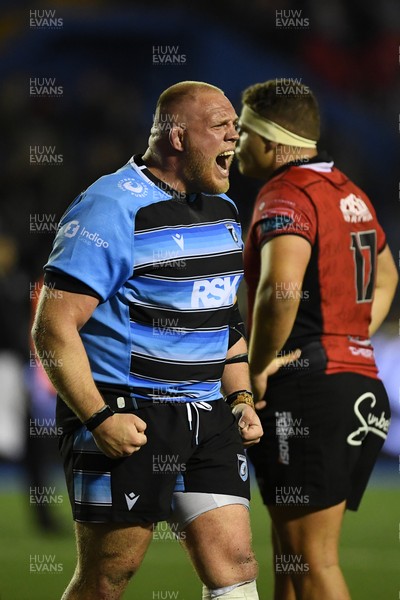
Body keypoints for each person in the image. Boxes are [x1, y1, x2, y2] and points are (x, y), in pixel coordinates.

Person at [32, 81, 264, 600]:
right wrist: (98, 418)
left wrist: (241, 396)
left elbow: (223, 319)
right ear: (177, 137)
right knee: (109, 577)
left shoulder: (223, 212)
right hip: (127, 413)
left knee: (236, 566)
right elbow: (52, 327)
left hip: (206, 414)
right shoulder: (110, 207)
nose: (236, 135)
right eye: (222, 125)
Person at [235, 80, 398, 600]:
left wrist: (256, 366)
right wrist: (349, 337)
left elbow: (280, 288)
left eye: (242, 131)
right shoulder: (352, 194)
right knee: (289, 556)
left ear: (269, 139)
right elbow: (389, 277)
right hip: (358, 383)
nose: (235, 143)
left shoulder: (284, 194)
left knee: (310, 562)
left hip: (310, 391)